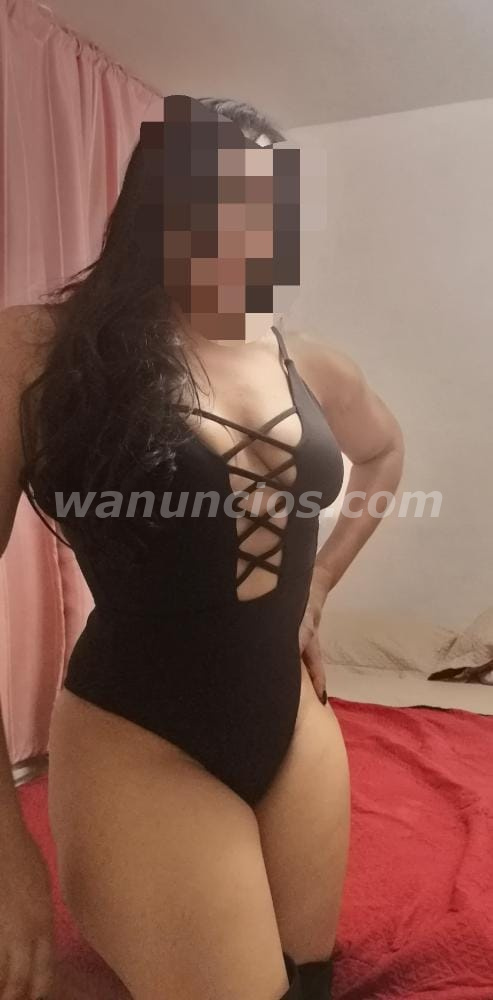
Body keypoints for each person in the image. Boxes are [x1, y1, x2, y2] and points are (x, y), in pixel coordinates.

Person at [0, 96, 404, 1000]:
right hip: (140, 735)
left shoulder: (305, 359)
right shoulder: (38, 350)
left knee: (308, 979)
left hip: (293, 724)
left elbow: (384, 454)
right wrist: (4, 848)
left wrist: (319, 584)